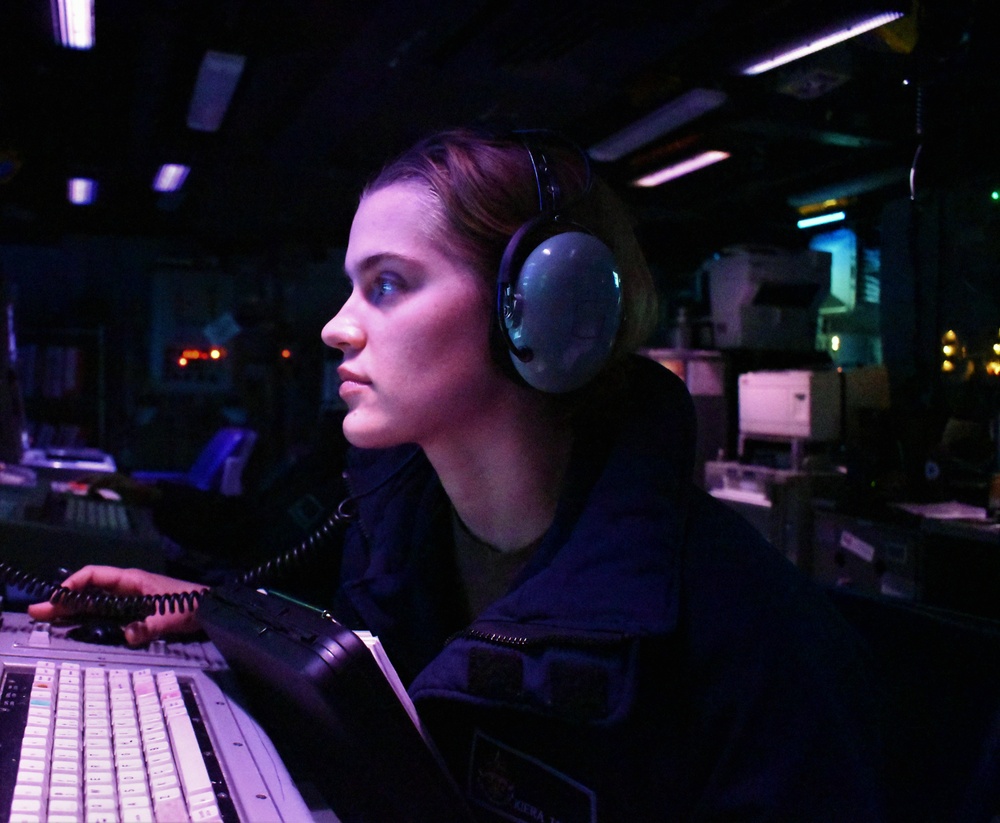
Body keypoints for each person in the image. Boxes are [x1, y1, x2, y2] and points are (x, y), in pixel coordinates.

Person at [30, 127, 884, 821]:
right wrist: (201, 607)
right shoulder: (391, 534)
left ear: (547, 308)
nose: (336, 328)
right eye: (350, 287)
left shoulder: (747, 630)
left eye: (388, 285)